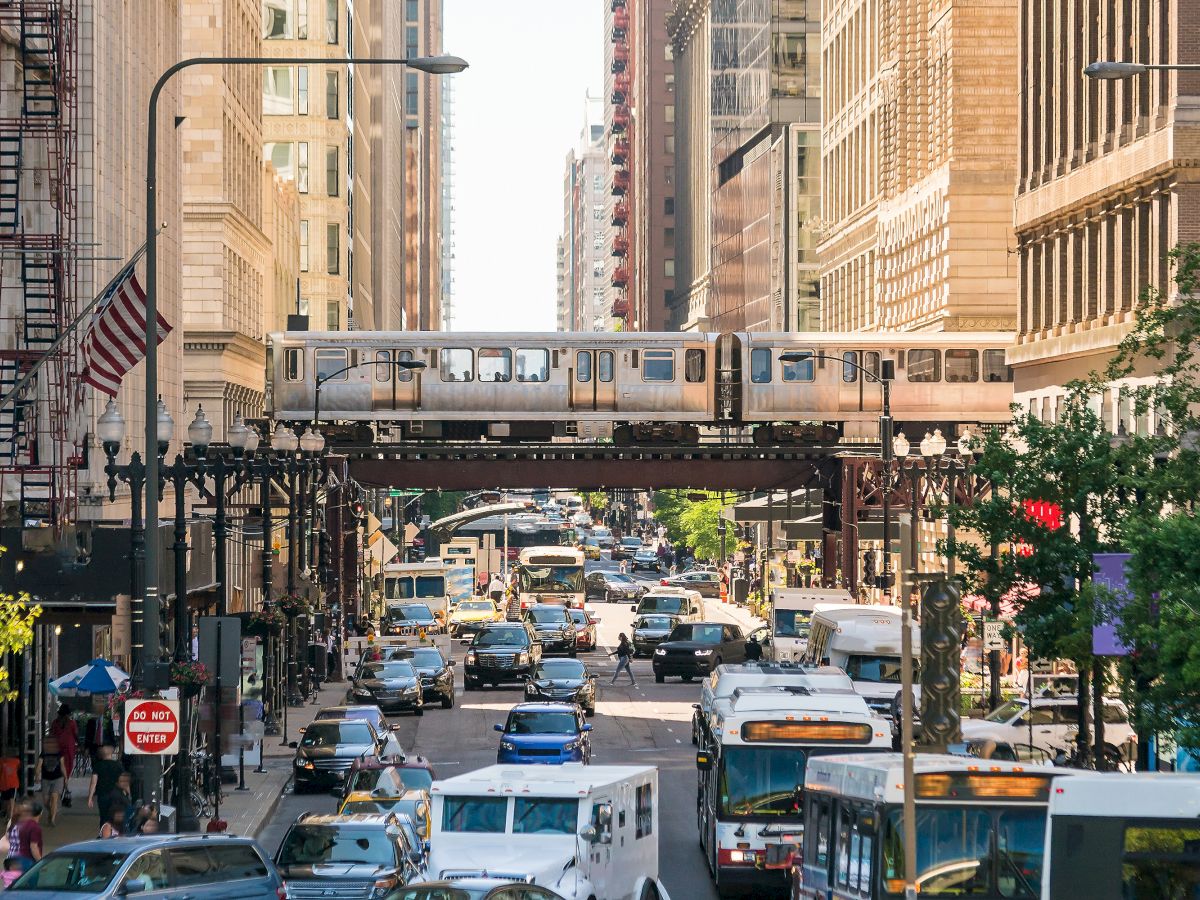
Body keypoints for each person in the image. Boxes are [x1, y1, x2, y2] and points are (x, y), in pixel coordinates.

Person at [87, 745, 124, 826]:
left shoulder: (98, 766)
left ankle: (103, 833)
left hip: (103, 795)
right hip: (116, 795)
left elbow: (93, 783)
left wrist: (90, 797)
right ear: (112, 753)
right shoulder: (118, 765)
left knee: (103, 817)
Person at [34, 736, 64, 826]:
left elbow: (62, 766)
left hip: (57, 778)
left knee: (54, 798)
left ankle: (52, 819)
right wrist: (37, 775)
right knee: (46, 801)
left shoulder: (59, 753)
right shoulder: (43, 754)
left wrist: (66, 777)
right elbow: (39, 765)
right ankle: (51, 811)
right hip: (46, 779)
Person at [5, 801, 42, 871]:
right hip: (24, 860)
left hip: (11, 857)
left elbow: (7, 837)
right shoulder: (31, 826)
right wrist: (40, 862)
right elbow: (33, 847)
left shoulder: (12, 821)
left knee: (12, 880)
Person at [48, 704, 77, 782]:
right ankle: (65, 784)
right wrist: (80, 745)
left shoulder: (55, 723)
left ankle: (59, 784)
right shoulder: (72, 723)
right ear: (68, 714)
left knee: (58, 766)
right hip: (68, 749)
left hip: (57, 748)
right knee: (68, 767)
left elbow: (52, 734)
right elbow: (75, 735)